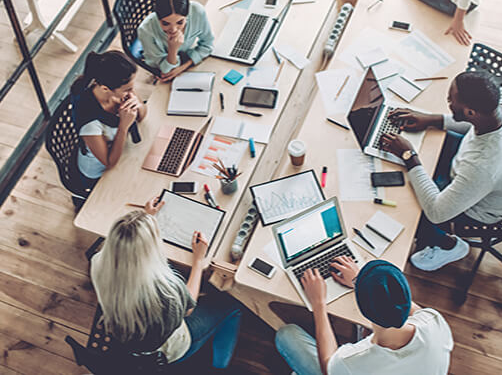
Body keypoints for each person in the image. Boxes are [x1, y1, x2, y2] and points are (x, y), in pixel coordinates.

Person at [380, 71, 502, 272]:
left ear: (470, 112)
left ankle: (448, 245)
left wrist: (409, 155)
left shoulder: (485, 166)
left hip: (483, 209)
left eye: (451, 101)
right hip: (479, 166)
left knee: (410, 205)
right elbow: (475, 125)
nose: (448, 102)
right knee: (424, 161)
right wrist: (432, 119)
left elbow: (437, 213)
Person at [90, 198, 242, 366]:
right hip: (167, 350)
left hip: (126, 334)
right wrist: (198, 261)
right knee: (232, 304)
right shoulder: (164, 290)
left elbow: (127, 246)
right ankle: (220, 365)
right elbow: (189, 308)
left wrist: (144, 219)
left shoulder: (98, 262)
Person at [275, 258, 453, 374]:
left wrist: (319, 304)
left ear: (363, 308)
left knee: (286, 334)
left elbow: (328, 365)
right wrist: (361, 281)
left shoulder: (354, 361)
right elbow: (399, 301)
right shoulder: (433, 320)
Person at [70, 50, 146, 189]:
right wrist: (123, 127)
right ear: (105, 88)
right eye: (128, 89)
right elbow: (109, 162)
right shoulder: (90, 122)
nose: (131, 92)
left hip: (123, 150)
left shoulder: (118, 88)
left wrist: (137, 104)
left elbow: (142, 116)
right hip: (99, 173)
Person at [138, 0, 214, 82]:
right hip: (162, 63)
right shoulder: (145, 30)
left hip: (184, 61)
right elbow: (166, 71)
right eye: (165, 23)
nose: (173, 30)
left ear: (187, 15)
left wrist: (183, 67)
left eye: (180, 22)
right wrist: (172, 49)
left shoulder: (197, 11)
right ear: (157, 17)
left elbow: (208, 45)